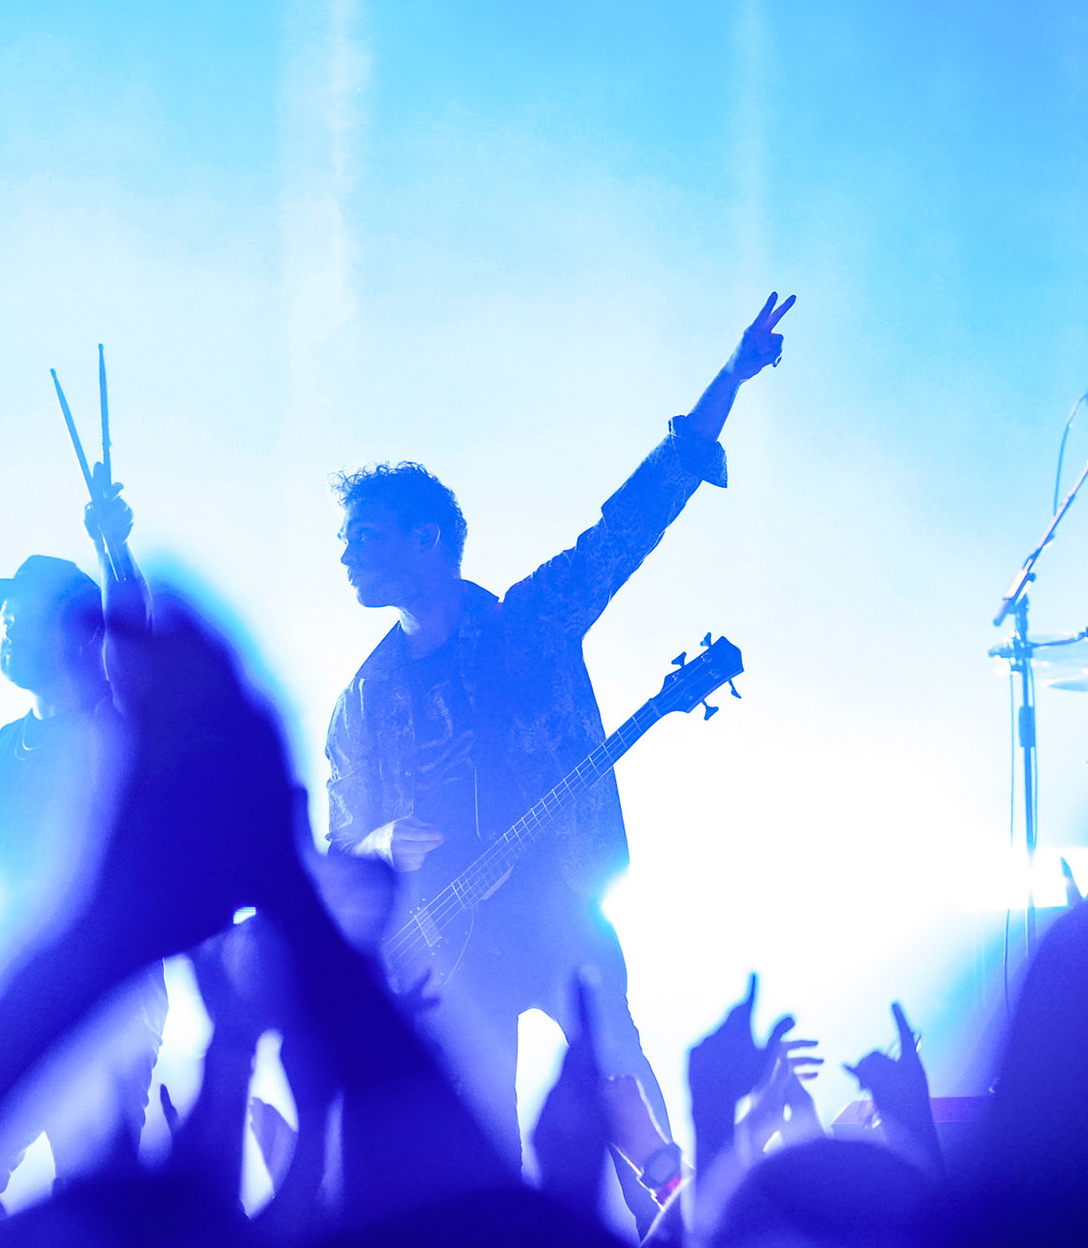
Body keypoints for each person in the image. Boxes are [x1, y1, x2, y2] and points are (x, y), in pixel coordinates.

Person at [323, 292, 797, 1176]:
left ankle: (677, 1223)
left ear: (428, 540)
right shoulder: (365, 700)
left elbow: (630, 524)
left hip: (559, 906)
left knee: (621, 1083)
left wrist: (728, 381)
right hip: (451, 947)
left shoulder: (527, 626)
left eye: (364, 537)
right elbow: (342, 837)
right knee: (484, 1145)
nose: (346, 555)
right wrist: (383, 839)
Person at [0, 475, 169, 1193]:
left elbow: (137, 641)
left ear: (76, 635)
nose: (7, 629)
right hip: (7, 1000)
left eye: (22, 617)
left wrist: (113, 548)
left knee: (93, 1200)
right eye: (4, 617)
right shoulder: (4, 745)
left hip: (103, 1011)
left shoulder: (113, 725)